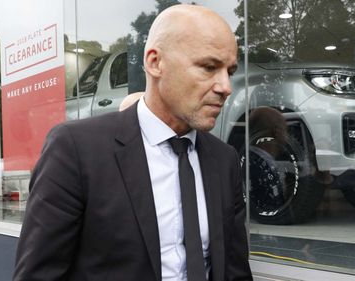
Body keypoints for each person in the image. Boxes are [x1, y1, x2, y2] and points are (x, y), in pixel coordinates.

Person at [13, 4, 252, 281]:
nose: (225, 86)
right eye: (209, 67)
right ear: (154, 62)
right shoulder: (76, 150)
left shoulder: (224, 159)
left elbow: (235, 271)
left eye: (229, 71)